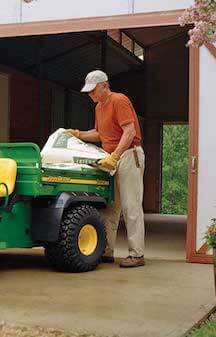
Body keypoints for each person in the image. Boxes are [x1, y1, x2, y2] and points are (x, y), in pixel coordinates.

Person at [67, 70, 146, 268]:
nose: (90, 95)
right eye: (89, 91)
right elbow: (99, 134)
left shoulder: (119, 100)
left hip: (128, 155)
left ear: (104, 85)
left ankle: (137, 254)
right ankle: (106, 251)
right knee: (111, 207)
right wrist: (78, 134)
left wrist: (115, 156)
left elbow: (130, 132)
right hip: (112, 157)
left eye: (93, 90)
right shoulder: (99, 107)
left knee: (131, 206)